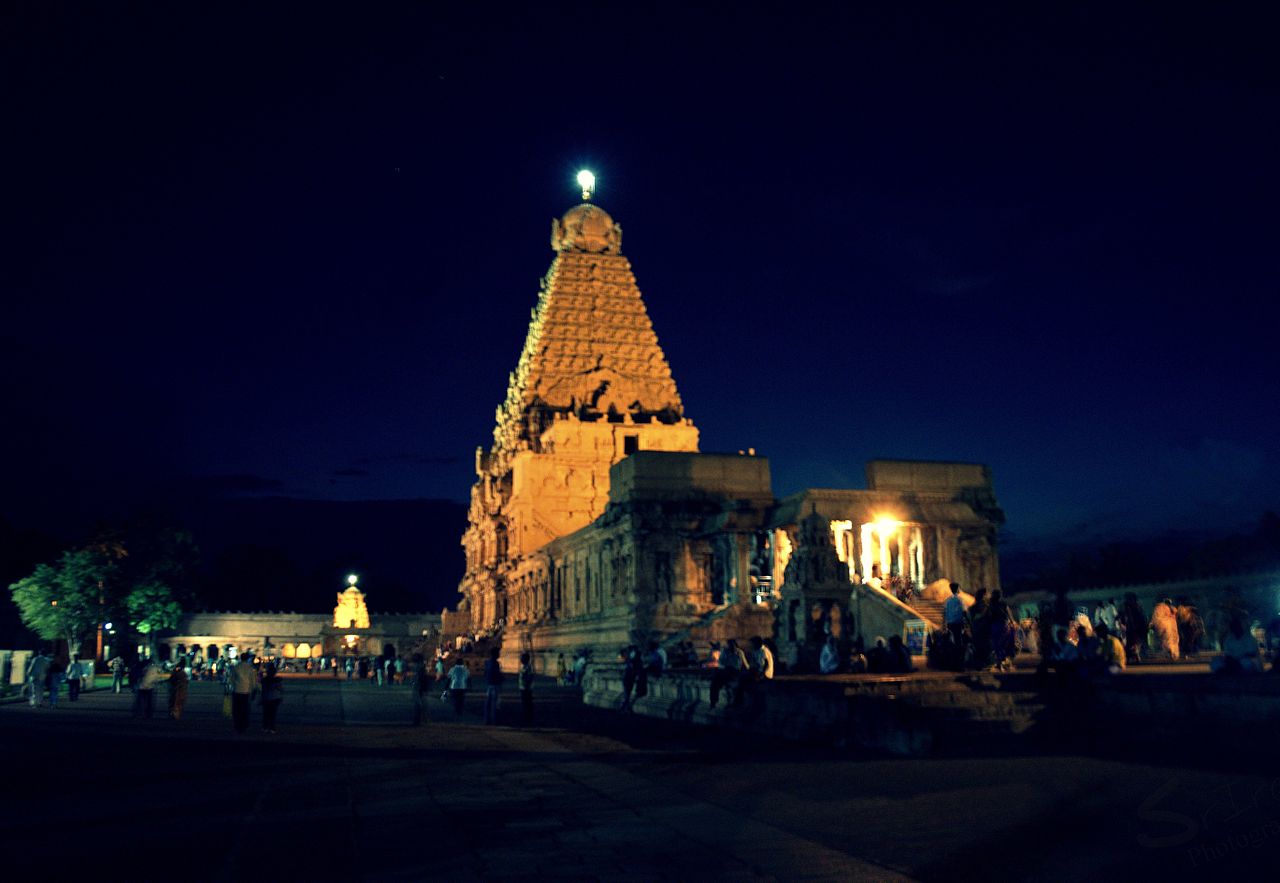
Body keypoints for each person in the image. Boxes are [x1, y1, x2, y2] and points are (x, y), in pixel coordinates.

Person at [231, 654, 259, 733]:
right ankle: (244, 724)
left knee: (237, 709)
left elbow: (232, 679)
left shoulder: (236, 667)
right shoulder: (250, 668)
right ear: (247, 659)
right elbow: (253, 681)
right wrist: (253, 689)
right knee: (245, 709)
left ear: (240, 658)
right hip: (246, 691)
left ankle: (237, 725)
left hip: (237, 690)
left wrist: (233, 687)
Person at [1121, 593, 1148, 663]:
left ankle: (1133, 657)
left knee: (1133, 643)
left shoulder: (1131, 606)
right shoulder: (1133, 606)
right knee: (1133, 643)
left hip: (1134, 628)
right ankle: (1135, 657)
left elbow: (1139, 617)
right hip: (1133, 628)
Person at [482, 647, 503, 725]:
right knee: (495, 704)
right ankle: (495, 720)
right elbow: (496, 674)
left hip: (489, 684)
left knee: (488, 703)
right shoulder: (496, 663)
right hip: (495, 685)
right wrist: (501, 678)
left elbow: (485, 673)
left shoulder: (487, 662)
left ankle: (487, 720)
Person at [260, 663, 283, 733]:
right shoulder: (277, 680)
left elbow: (263, 689)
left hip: (267, 697)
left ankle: (265, 727)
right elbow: (281, 689)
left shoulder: (265, 680)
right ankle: (272, 728)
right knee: (273, 714)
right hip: (275, 697)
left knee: (266, 714)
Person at [943, 582, 967, 648]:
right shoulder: (960, 600)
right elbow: (964, 612)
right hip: (958, 623)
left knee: (952, 640)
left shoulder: (948, 601)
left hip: (950, 623)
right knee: (958, 639)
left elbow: (945, 612)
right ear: (957, 589)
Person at [412, 654, 433, 725]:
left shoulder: (418, 667)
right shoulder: (421, 667)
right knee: (423, 704)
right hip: (420, 686)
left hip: (418, 686)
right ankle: (424, 720)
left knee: (419, 704)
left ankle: (419, 720)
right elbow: (423, 677)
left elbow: (419, 677)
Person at [517, 651, 534, 725]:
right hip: (523, 688)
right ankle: (526, 717)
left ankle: (528, 718)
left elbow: (529, 678)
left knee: (527, 703)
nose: (521, 659)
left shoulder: (528, 668)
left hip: (526, 689)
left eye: (522, 658)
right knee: (525, 703)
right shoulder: (524, 667)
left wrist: (526, 686)